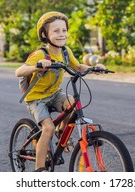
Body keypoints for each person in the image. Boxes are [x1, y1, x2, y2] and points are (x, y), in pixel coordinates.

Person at [15, 11, 106, 172]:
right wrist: (37, 66)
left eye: (64, 30)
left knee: (72, 103)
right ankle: (40, 168)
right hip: (36, 98)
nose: (61, 34)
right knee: (47, 128)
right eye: (56, 31)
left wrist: (94, 69)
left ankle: (61, 132)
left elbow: (77, 67)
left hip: (54, 93)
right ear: (45, 34)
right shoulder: (40, 54)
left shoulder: (65, 52)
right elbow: (19, 71)